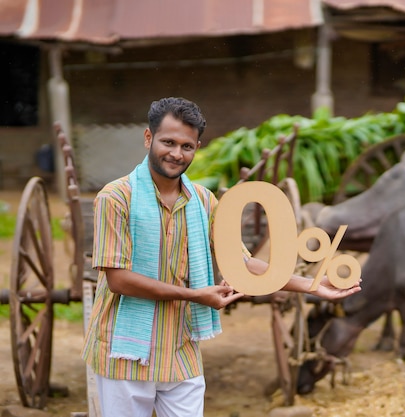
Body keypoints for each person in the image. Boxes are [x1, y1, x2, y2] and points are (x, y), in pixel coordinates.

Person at [81, 97, 361, 417]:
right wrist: (194, 295)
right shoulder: (115, 198)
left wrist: (311, 285)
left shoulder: (203, 201)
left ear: (197, 147)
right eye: (168, 142)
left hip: (179, 350)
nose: (176, 153)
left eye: (187, 146)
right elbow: (118, 280)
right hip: (124, 352)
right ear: (149, 138)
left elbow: (242, 263)